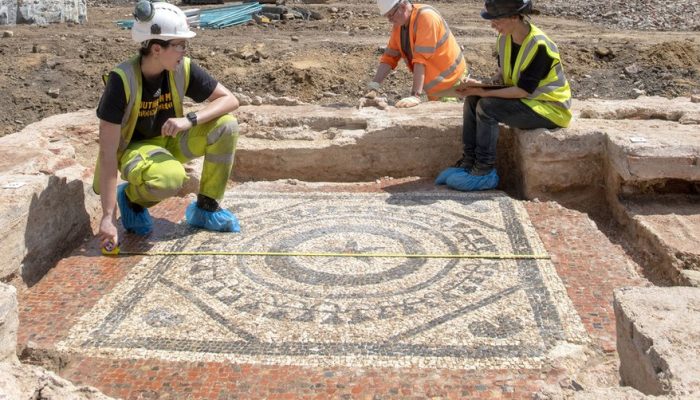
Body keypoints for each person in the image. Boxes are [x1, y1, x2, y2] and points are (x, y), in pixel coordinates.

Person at [95, 0, 241, 251]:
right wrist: (108, 217)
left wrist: (190, 120)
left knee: (226, 126)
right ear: (156, 48)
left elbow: (230, 100)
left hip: (170, 142)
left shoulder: (180, 68)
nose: (184, 50)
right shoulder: (121, 81)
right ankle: (131, 200)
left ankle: (206, 208)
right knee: (171, 178)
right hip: (136, 151)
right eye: (178, 45)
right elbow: (108, 154)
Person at [435, 0, 572, 191]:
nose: (493, 25)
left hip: (549, 109)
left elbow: (522, 90)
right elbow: (503, 76)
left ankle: (484, 171)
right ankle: (469, 163)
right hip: (528, 101)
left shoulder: (540, 45)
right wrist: (481, 85)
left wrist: (483, 91)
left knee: (487, 107)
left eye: (497, 20)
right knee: (473, 99)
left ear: (515, 17)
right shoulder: (504, 38)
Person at [367, 0, 467, 108]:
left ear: (403, 6)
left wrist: (415, 96)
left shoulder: (426, 18)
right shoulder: (399, 25)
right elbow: (389, 57)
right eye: (387, 17)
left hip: (450, 82)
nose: (390, 20)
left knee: (447, 119)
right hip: (435, 87)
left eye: (391, 15)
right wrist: (373, 87)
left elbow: (420, 60)